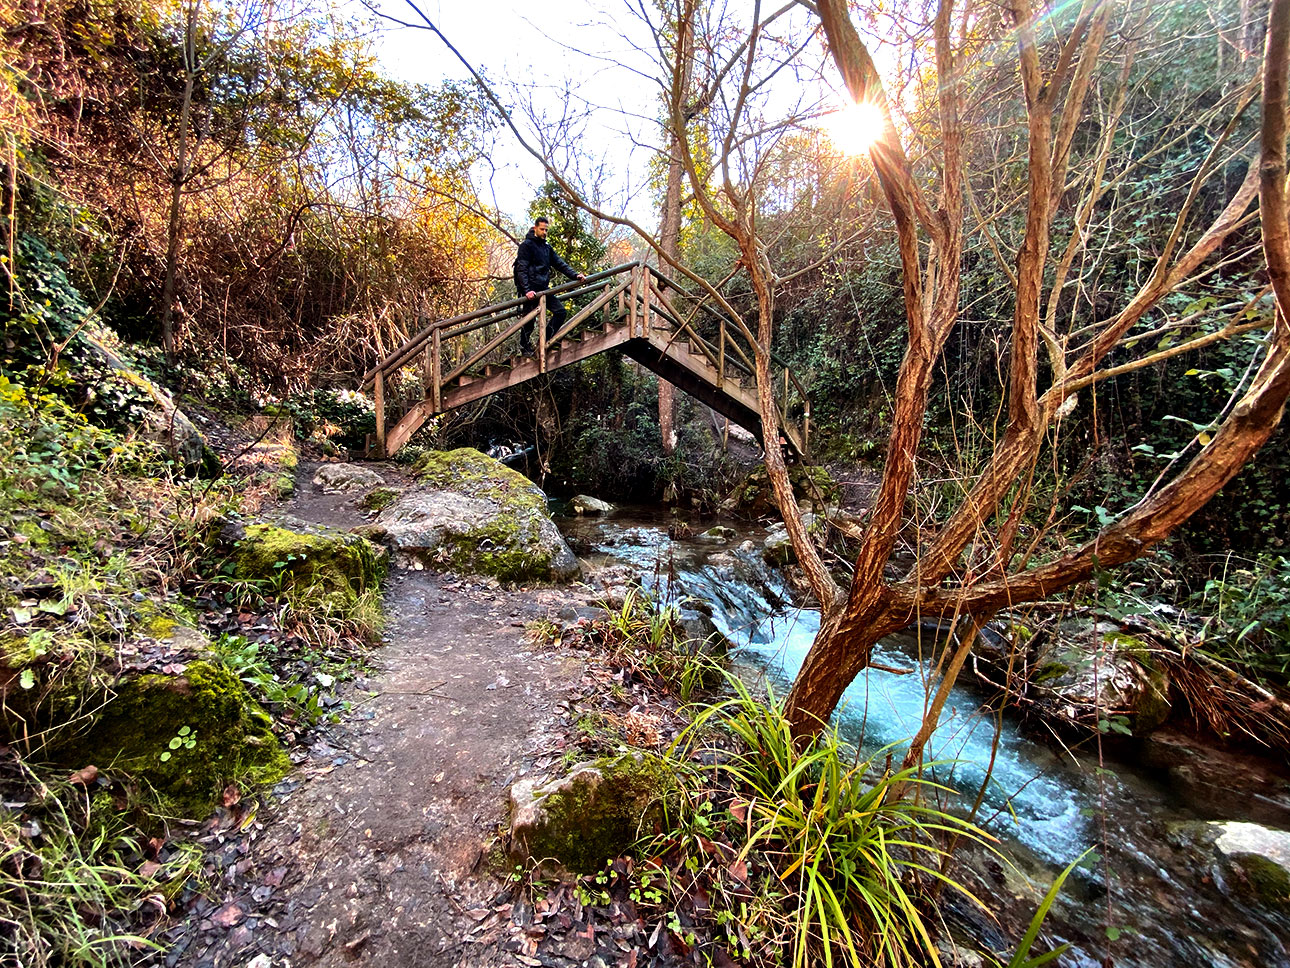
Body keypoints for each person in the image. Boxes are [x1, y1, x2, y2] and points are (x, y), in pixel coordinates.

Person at [513, 216, 586, 355]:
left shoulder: (547, 247)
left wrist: (575, 275)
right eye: (542, 229)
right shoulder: (526, 246)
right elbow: (521, 269)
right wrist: (527, 290)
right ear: (535, 228)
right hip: (530, 289)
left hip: (543, 289)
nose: (544, 232)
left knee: (560, 312)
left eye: (546, 230)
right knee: (529, 320)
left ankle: (545, 340)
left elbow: (559, 263)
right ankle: (524, 346)